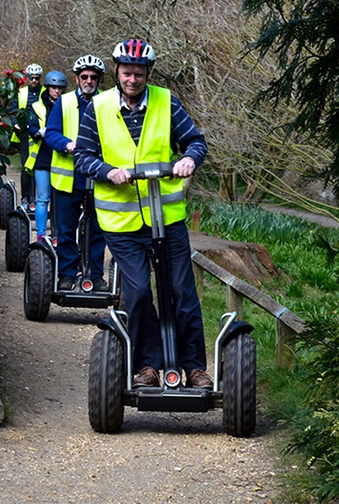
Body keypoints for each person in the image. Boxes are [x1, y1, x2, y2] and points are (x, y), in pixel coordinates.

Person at [74, 39, 213, 389]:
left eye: (138, 73)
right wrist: (107, 171)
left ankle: (194, 367)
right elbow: (83, 156)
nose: (132, 79)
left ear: (147, 73)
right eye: (126, 73)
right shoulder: (99, 107)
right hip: (122, 223)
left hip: (167, 220)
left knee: (182, 291)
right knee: (137, 293)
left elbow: (196, 141)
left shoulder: (166, 102)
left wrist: (188, 159)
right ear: (117, 73)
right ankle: (147, 366)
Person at [43, 55, 108, 291]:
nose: (89, 80)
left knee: (98, 231)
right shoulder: (65, 102)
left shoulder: (108, 102)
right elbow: (50, 133)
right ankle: (67, 275)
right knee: (67, 230)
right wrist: (67, 144)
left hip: (98, 178)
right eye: (84, 77)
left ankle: (96, 275)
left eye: (93, 77)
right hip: (68, 178)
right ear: (77, 78)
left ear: (99, 79)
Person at [25, 71, 67, 240]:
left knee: (61, 200)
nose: (56, 91)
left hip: (63, 158)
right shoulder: (37, 106)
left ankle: (58, 234)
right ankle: (41, 234)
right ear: (48, 88)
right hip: (43, 157)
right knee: (43, 198)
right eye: (53, 88)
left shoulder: (67, 105)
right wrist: (40, 132)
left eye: (59, 88)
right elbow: (31, 128)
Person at [10, 64, 45, 208]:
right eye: (32, 78)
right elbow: (13, 110)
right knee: (26, 166)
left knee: (38, 167)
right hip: (24, 132)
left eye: (37, 78)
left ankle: (36, 198)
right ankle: (25, 198)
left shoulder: (45, 92)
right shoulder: (21, 92)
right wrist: (15, 123)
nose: (34, 81)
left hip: (41, 134)